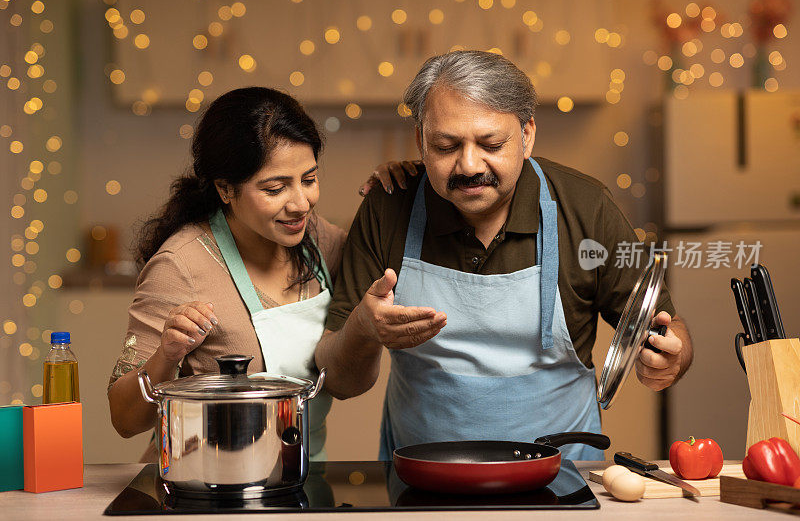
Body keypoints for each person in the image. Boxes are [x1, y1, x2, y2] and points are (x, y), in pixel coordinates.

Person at [315, 51, 694, 461]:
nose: (469, 164)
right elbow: (338, 381)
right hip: (424, 477)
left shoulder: (586, 208)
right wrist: (362, 329)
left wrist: (671, 358)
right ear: (420, 141)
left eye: (491, 143)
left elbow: (669, 330)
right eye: (446, 146)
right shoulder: (388, 207)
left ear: (527, 134)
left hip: (562, 477)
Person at [107, 87, 410, 461]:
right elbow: (123, 419)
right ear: (225, 189)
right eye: (275, 188)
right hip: (201, 486)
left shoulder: (321, 241)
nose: (301, 204)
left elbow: (387, 260)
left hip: (297, 477)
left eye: (309, 179)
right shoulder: (180, 266)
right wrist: (167, 356)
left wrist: (404, 191)